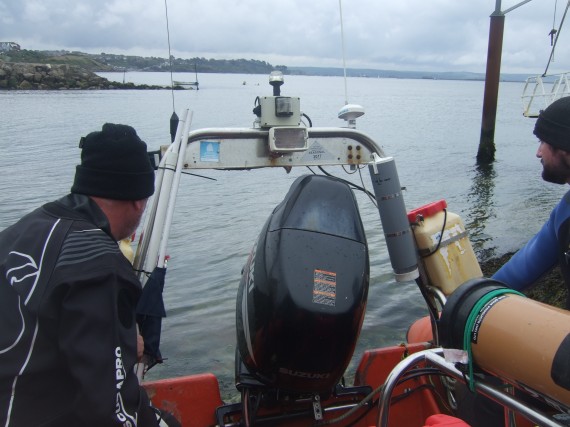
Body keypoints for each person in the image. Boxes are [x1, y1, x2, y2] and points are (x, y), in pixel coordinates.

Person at [0, 124, 178, 426]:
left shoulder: (20, 232)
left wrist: (119, 343)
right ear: (138, 199)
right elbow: (108, 405)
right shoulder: (99, 267)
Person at [493, 95, 570, 309]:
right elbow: (521, 268)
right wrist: (467, 300)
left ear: (565, 149)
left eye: (544, 142)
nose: (538, 152)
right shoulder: (565, 212)